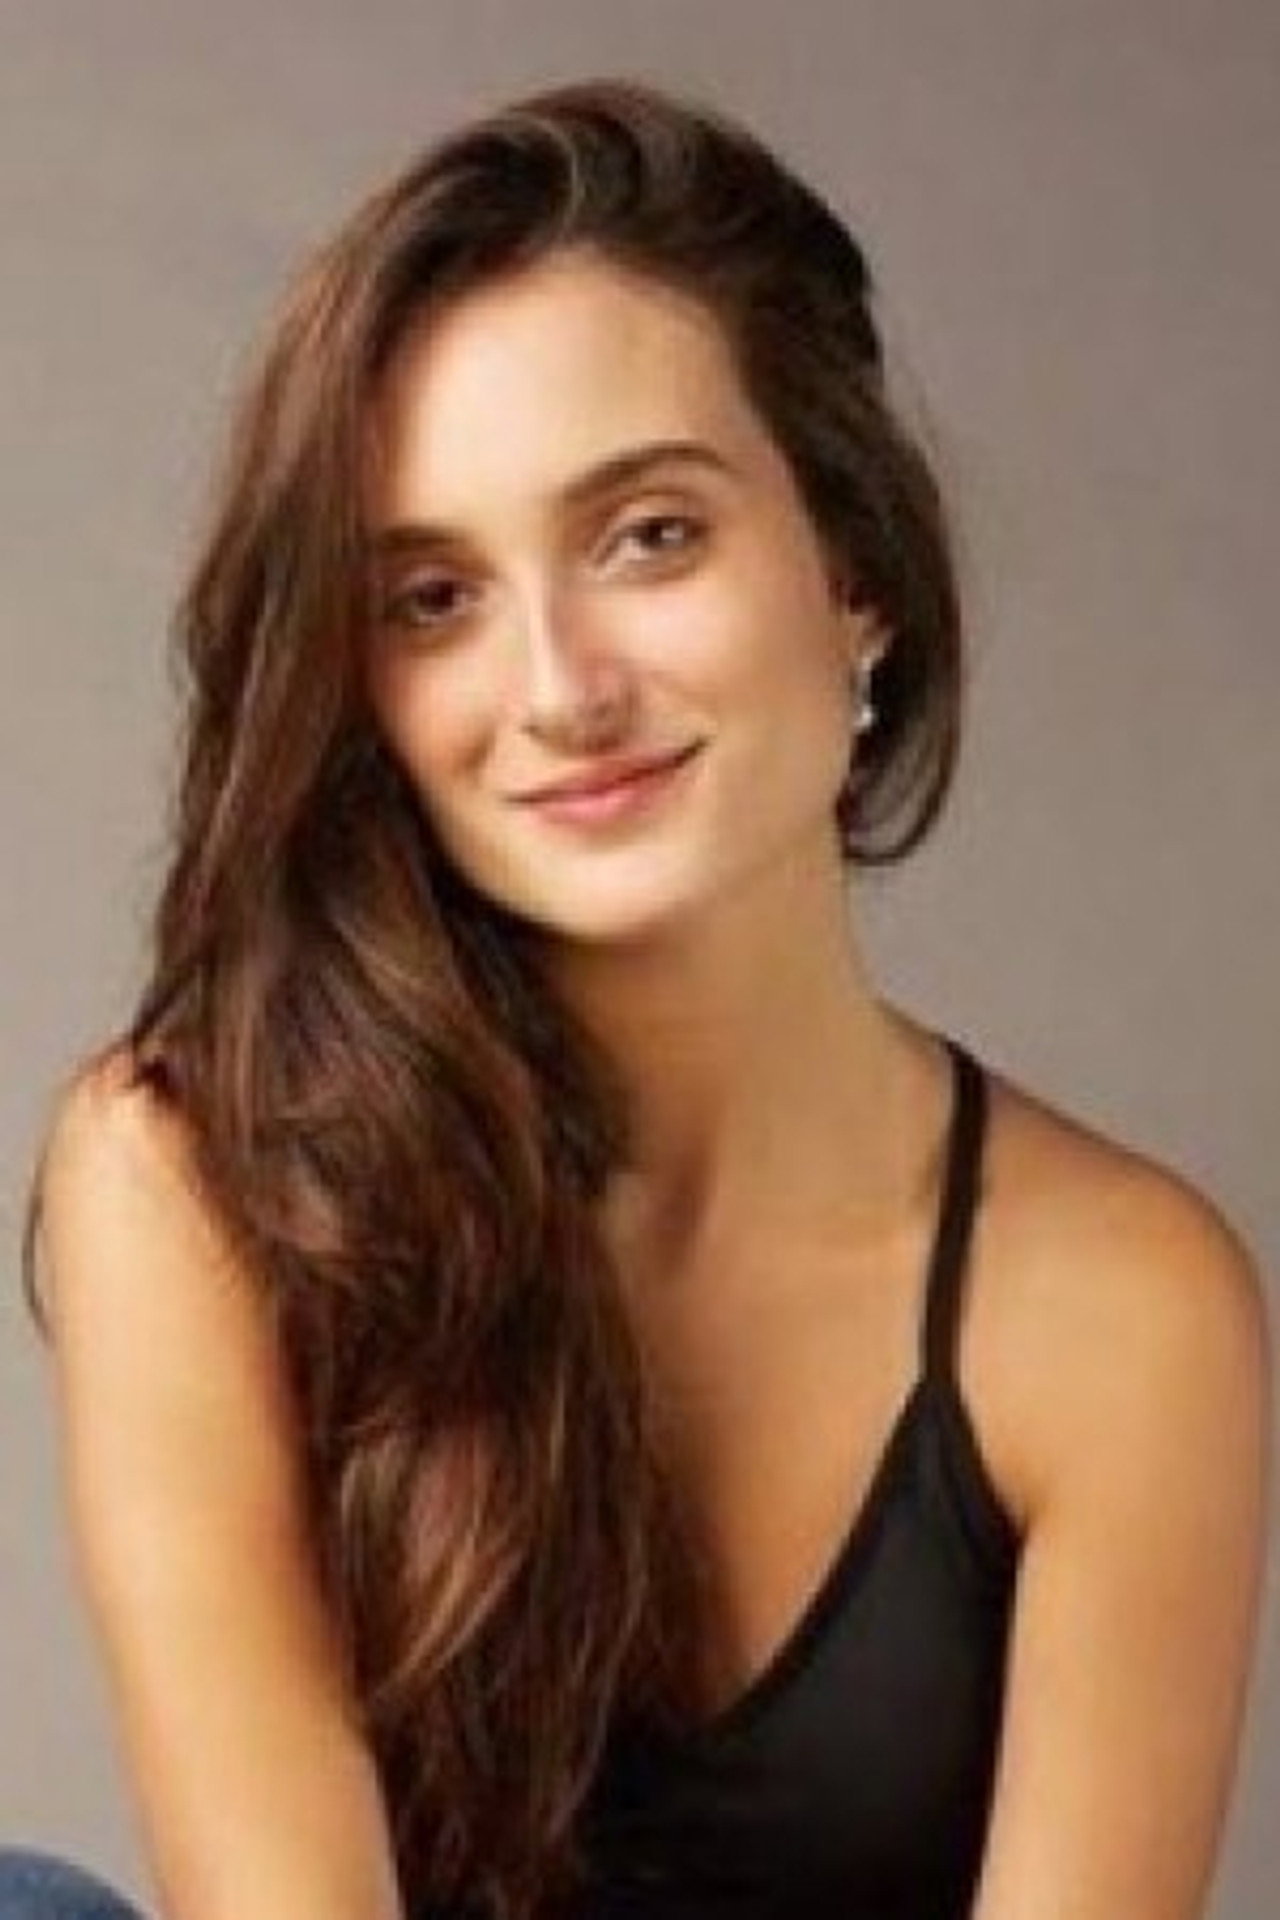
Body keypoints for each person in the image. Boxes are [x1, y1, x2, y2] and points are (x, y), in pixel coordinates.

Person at [9, 71, 1270, 1920]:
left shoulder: (1117, 1308)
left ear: (852, 570)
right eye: (434, 598)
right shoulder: (195, 1175)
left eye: (650, 535)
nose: (560, 689)